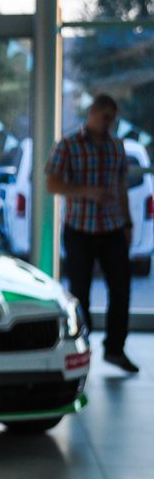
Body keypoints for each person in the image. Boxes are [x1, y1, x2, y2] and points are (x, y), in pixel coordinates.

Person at [46, 93, 139, 373]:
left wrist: (127, 223)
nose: (108, 123)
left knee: (121, 290)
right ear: (93, 114)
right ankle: (81, 351)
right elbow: (52, 184)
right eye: (105, 117)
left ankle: (115, 349)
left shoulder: (116, 146)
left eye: (113, 119)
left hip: (111, 227)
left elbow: (120, 187)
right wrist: (86, 191)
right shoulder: (68, 144)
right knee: (81, 293)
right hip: (80, 229)